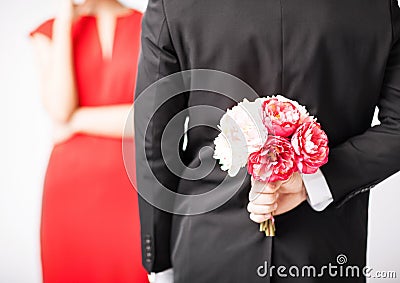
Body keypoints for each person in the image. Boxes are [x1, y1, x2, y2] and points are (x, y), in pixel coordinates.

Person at [134, 0, 400, 282]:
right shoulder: (376, 5)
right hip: (326, 255)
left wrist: (158, 259)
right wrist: (317, 181)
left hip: (207, 246)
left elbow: (154, 138)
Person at [30, 0, 148, 282]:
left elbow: (148, 118)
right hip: (70, 191)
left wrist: (75, 122)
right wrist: (64, 21)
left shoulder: (150, 25)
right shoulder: (49, 32)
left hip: (131, 186)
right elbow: (60, 107)